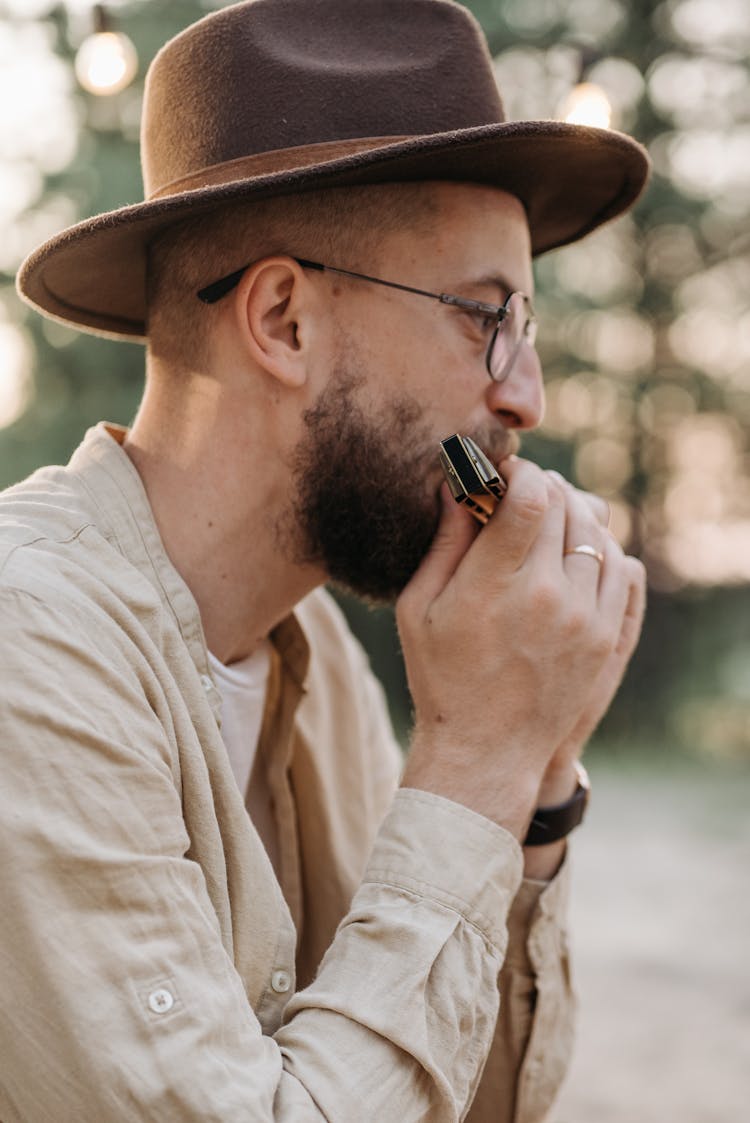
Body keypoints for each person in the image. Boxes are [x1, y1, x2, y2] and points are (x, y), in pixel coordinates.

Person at [1, 1, 649, 1120]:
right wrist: (477, 756)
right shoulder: (29, 644)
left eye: (528, 327)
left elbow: (471, 1101)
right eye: (484, 317)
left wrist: (532, 777)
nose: (524, 396)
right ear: (285, 321)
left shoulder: (321, 665)